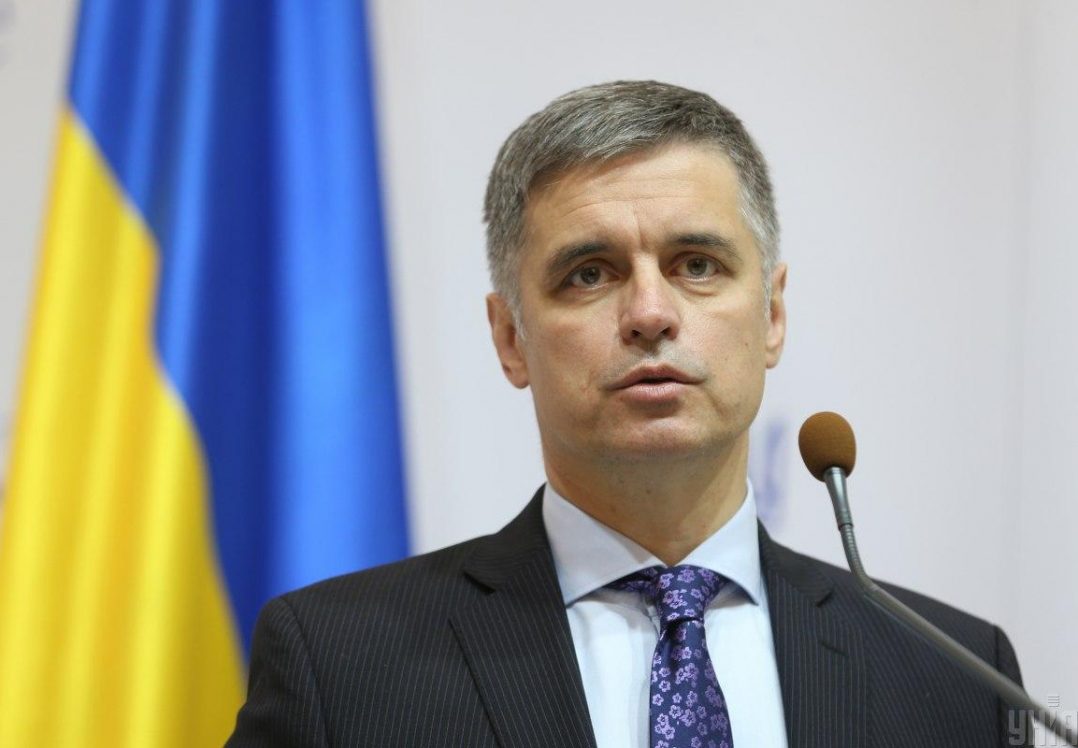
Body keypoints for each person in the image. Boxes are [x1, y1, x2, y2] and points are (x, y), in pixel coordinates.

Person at [227, 81, 1026, 747]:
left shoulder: (956, 676)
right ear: (510, 338)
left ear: (773, 315)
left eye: (697, 264)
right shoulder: (339, 665)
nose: (650, 313)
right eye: (590, 274)